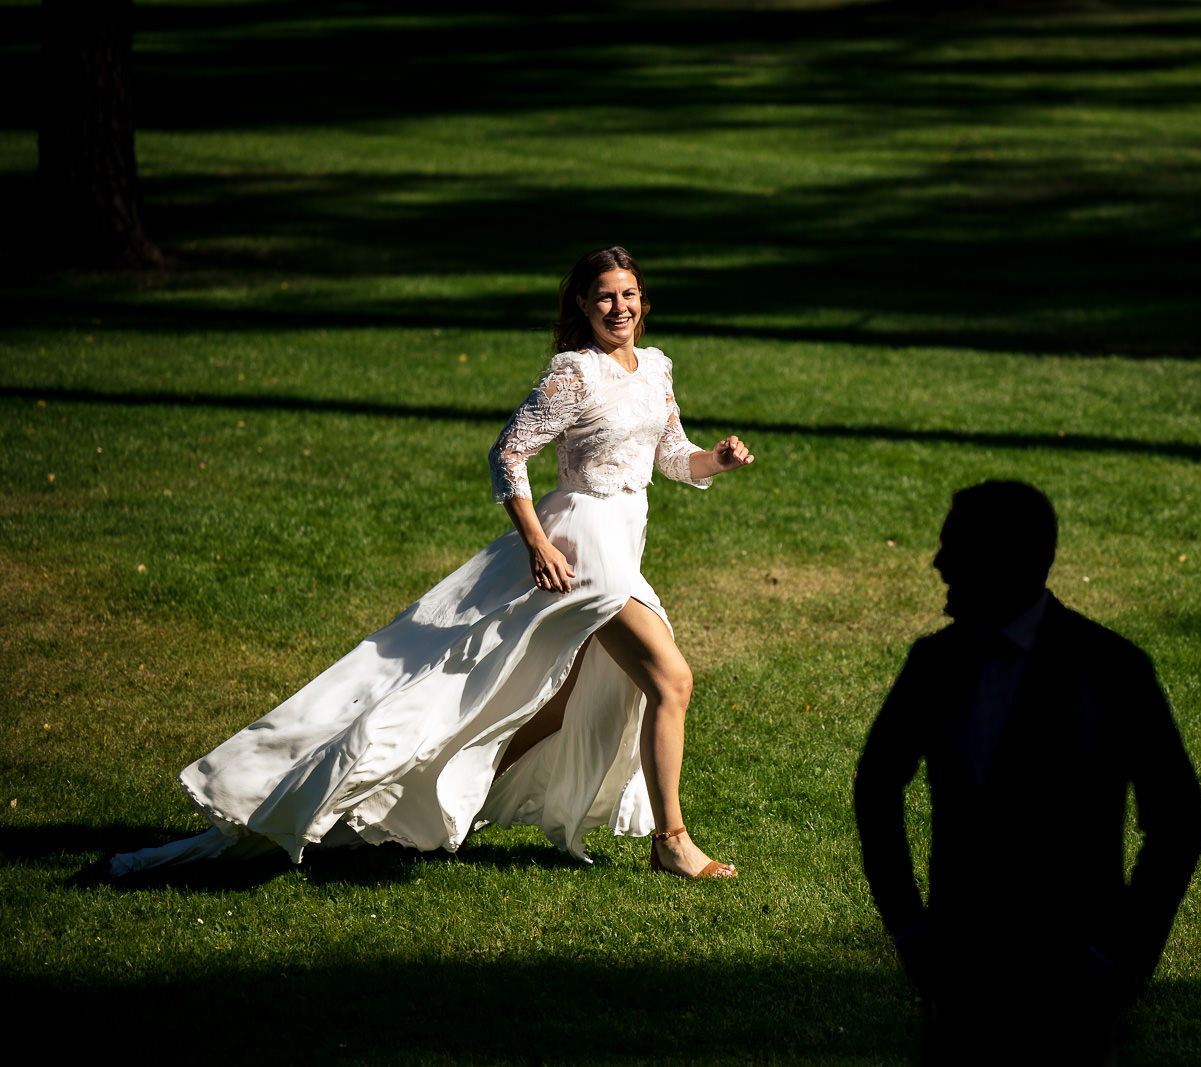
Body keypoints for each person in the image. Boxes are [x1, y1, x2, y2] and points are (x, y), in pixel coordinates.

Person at [111, 246, 750, 881]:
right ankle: (671, 840)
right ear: (582, 304)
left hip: (625, 539)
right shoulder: (573, 373)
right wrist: (537, 542)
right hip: (583, 546)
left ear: (643, 302)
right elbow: (509, 454)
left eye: (630, 294)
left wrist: (714, 460)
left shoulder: (655, 368)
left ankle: (444, 802)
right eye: (605, 295)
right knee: (671, 680)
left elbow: (668, 455)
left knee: (555, 701)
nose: (620, 307)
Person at [854, 481, 1201, 1063]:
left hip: (1073, 981)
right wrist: (911, 931)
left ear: (1010, 560)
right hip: (960, 974)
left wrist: (1119, 962)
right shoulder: (934, 663)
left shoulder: (1112, 670)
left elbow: (1181, 820)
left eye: (956, 548)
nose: (937, 563)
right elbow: (876, 786)